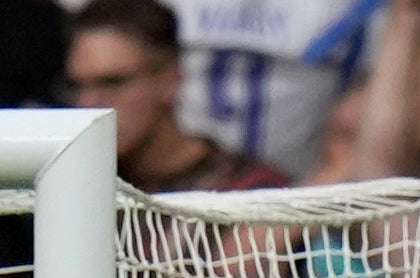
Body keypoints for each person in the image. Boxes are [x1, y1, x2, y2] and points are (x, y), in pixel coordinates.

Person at [61, 0, 286, 192]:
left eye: (114, 82)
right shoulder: (74, 188)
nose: (87, 103)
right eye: (77, 86)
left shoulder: (248, 192)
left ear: (170, 80)